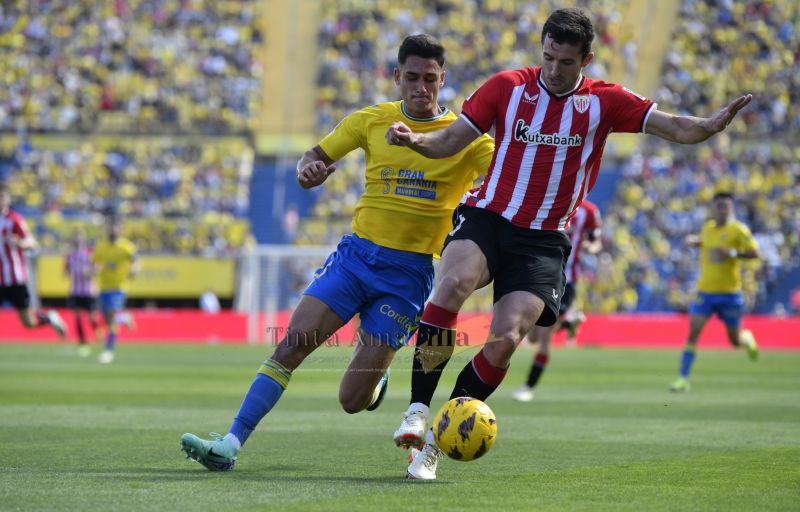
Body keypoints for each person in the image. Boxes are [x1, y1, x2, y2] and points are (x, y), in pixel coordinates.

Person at [386, 7, 752, 480]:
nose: (555, 71)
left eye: (567, 63)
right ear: (541, 50)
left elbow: (678, 127)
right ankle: (416, 407)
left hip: (543, 241)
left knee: (506, 338)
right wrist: (415, 140)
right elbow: (449, 142)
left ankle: (436, 442)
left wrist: (710, 125)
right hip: (488, 217)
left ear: (587, 60)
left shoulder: (605, 101)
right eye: (548, 58)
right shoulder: (506, 87)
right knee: (453, 281)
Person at [180, 34, 495, 472]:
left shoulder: (469, 140)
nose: (421, 88)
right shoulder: (370, 121)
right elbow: (315, 155)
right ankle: (231, 442)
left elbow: (505, 182)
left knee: (351, 400)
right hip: (355, 258)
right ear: (396, 77)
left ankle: (376, 378)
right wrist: (307, 171)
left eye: (430, 79)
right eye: (411, 78)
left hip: (408, 275)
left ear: (443, 79)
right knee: (292, 345)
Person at [511, 199, 602, 402]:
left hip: (567, 281)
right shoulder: (549, 200)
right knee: (533, 337)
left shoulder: (589, 211)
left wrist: (591, 247)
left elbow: (596, 240)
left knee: (543, 338)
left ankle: (528, 387)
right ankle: (569, 321)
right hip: (543, 275)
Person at [670, 192, 759, 392]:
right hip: (706, 293)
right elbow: (707, 242)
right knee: (693, 333)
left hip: (730, 294)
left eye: (725, 206)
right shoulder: (708, 228)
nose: (722, 209)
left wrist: (733, 253)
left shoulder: (738, 230)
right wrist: (694, 241)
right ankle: (682, 379)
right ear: (713, 208)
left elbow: (755, 253)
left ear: (732, 208)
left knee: (734, 341)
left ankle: (747, 339)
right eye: (718, 206)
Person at [0, 182, 67, 339]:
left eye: (2, 196)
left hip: (15, 279)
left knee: (28, 323)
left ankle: (50, 318)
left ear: (8, 199)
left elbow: (32, 242)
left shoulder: (14, 220)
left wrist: (20, 243)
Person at [92, 218, 139, 364]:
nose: (112, 231)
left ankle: (108, 351)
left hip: (119, 287)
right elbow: (94, 263)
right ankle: (124, 318)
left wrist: (135, 269)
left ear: (120, 230)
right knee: (107, 321)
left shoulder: (126, 246)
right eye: (110, 229)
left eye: (115, 229)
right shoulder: (100, 247)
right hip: (104, 286)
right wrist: (93, 272)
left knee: (111, 318)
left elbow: (136, 260)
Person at [64, 231, 101, 356]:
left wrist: (89, 271)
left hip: (88, 291)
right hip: (76, 291)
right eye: (76, 239)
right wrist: (69, 271)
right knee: (78, 317)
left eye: (80, 239)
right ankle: (82, 342)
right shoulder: (70, 255)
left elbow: (97, 268)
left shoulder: (90, 252)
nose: (78, 241)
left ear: (83, 240)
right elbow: (66, 271)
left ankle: (98, 333)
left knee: (92, 318)